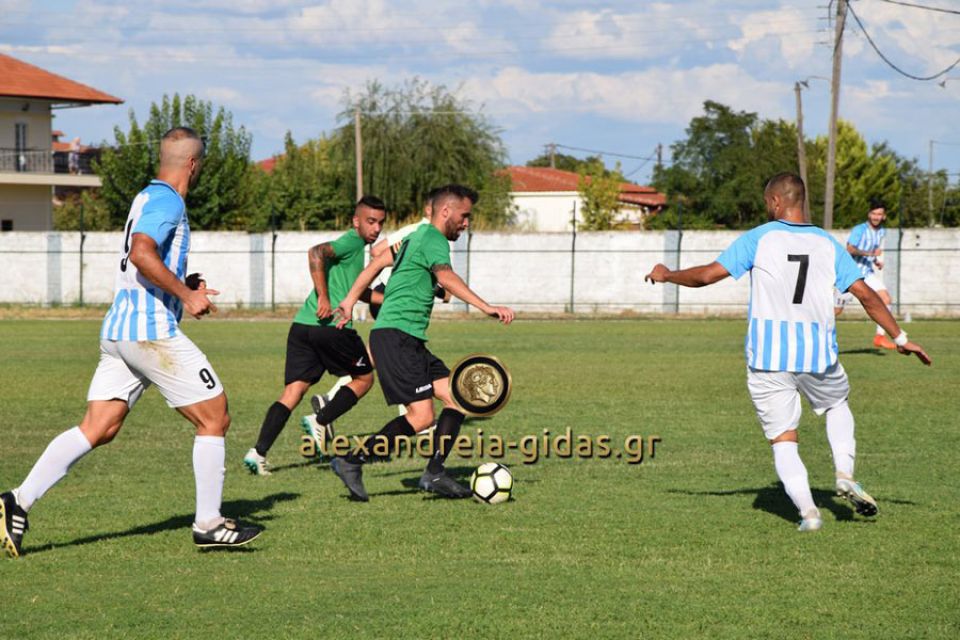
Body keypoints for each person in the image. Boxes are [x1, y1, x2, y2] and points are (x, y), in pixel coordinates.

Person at [0, 127, 262, 559]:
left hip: (119, 329)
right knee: (215, 416)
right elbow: (142, 254)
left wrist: (184, 281)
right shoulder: (168, 201)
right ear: (193, 164)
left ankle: (16, 501)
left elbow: (144, 257)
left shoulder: (145, 196)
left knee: (99, 427)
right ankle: (210, 523)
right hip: (149, 330)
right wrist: (186, 295)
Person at [644, 173, 931, 532]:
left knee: (783, 439)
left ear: (776, 202)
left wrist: (667, 274)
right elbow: (868, 297)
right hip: (817, 356)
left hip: (767, 358)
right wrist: (901, 338)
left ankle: (809, 514)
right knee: (836, 405)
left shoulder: (759, 239)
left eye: (768, 202)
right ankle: (844, 472)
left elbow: (706, 276)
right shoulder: (828, 244)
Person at [330, 184, 515, 501]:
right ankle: (351, 461)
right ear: (447, 211)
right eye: (464, 215)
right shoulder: (433, 239)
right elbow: (445, 277)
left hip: (407, 337)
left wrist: (349, 301)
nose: (467, 222)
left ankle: (434, 473)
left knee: (459, 398)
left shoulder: (414, 237)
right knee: (421, 417)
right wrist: (486, 306)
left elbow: (376, 264)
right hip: (396, 337)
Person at [242, 197, 387, 475]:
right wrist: (323, 295)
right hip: (331, 327)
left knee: (293, 392)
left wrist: (387, 298)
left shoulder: (358, 252)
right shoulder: (352, 242)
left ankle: (257, 453)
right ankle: (321, 420)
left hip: (302, 327)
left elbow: (359, 291)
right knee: (364, 378)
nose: (376, 228)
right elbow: (315, 252)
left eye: (380, 222)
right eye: (371, 221)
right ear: (356, 221)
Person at [839, 201, 896, 349]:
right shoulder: (860, 229)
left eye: (879, 214)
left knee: (886, 299)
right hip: (850, 275)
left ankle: (880, 337)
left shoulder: (881, 231)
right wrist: (871, 254)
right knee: (835, 311)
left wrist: (876, 260)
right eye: (874, 213)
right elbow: (850, 249)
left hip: (867, 274)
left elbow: (874, 251)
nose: (876, 217)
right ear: (869, 214)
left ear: (883, 216)